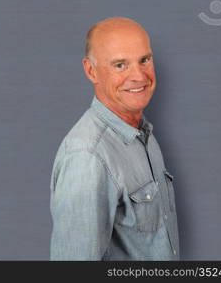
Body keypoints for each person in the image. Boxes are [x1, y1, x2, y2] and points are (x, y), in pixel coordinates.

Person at [49, 17, 179, 260]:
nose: (139, 76)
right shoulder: (87, 156)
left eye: (144, 60)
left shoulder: (143, 133)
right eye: (120, 65)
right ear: (91, 71)